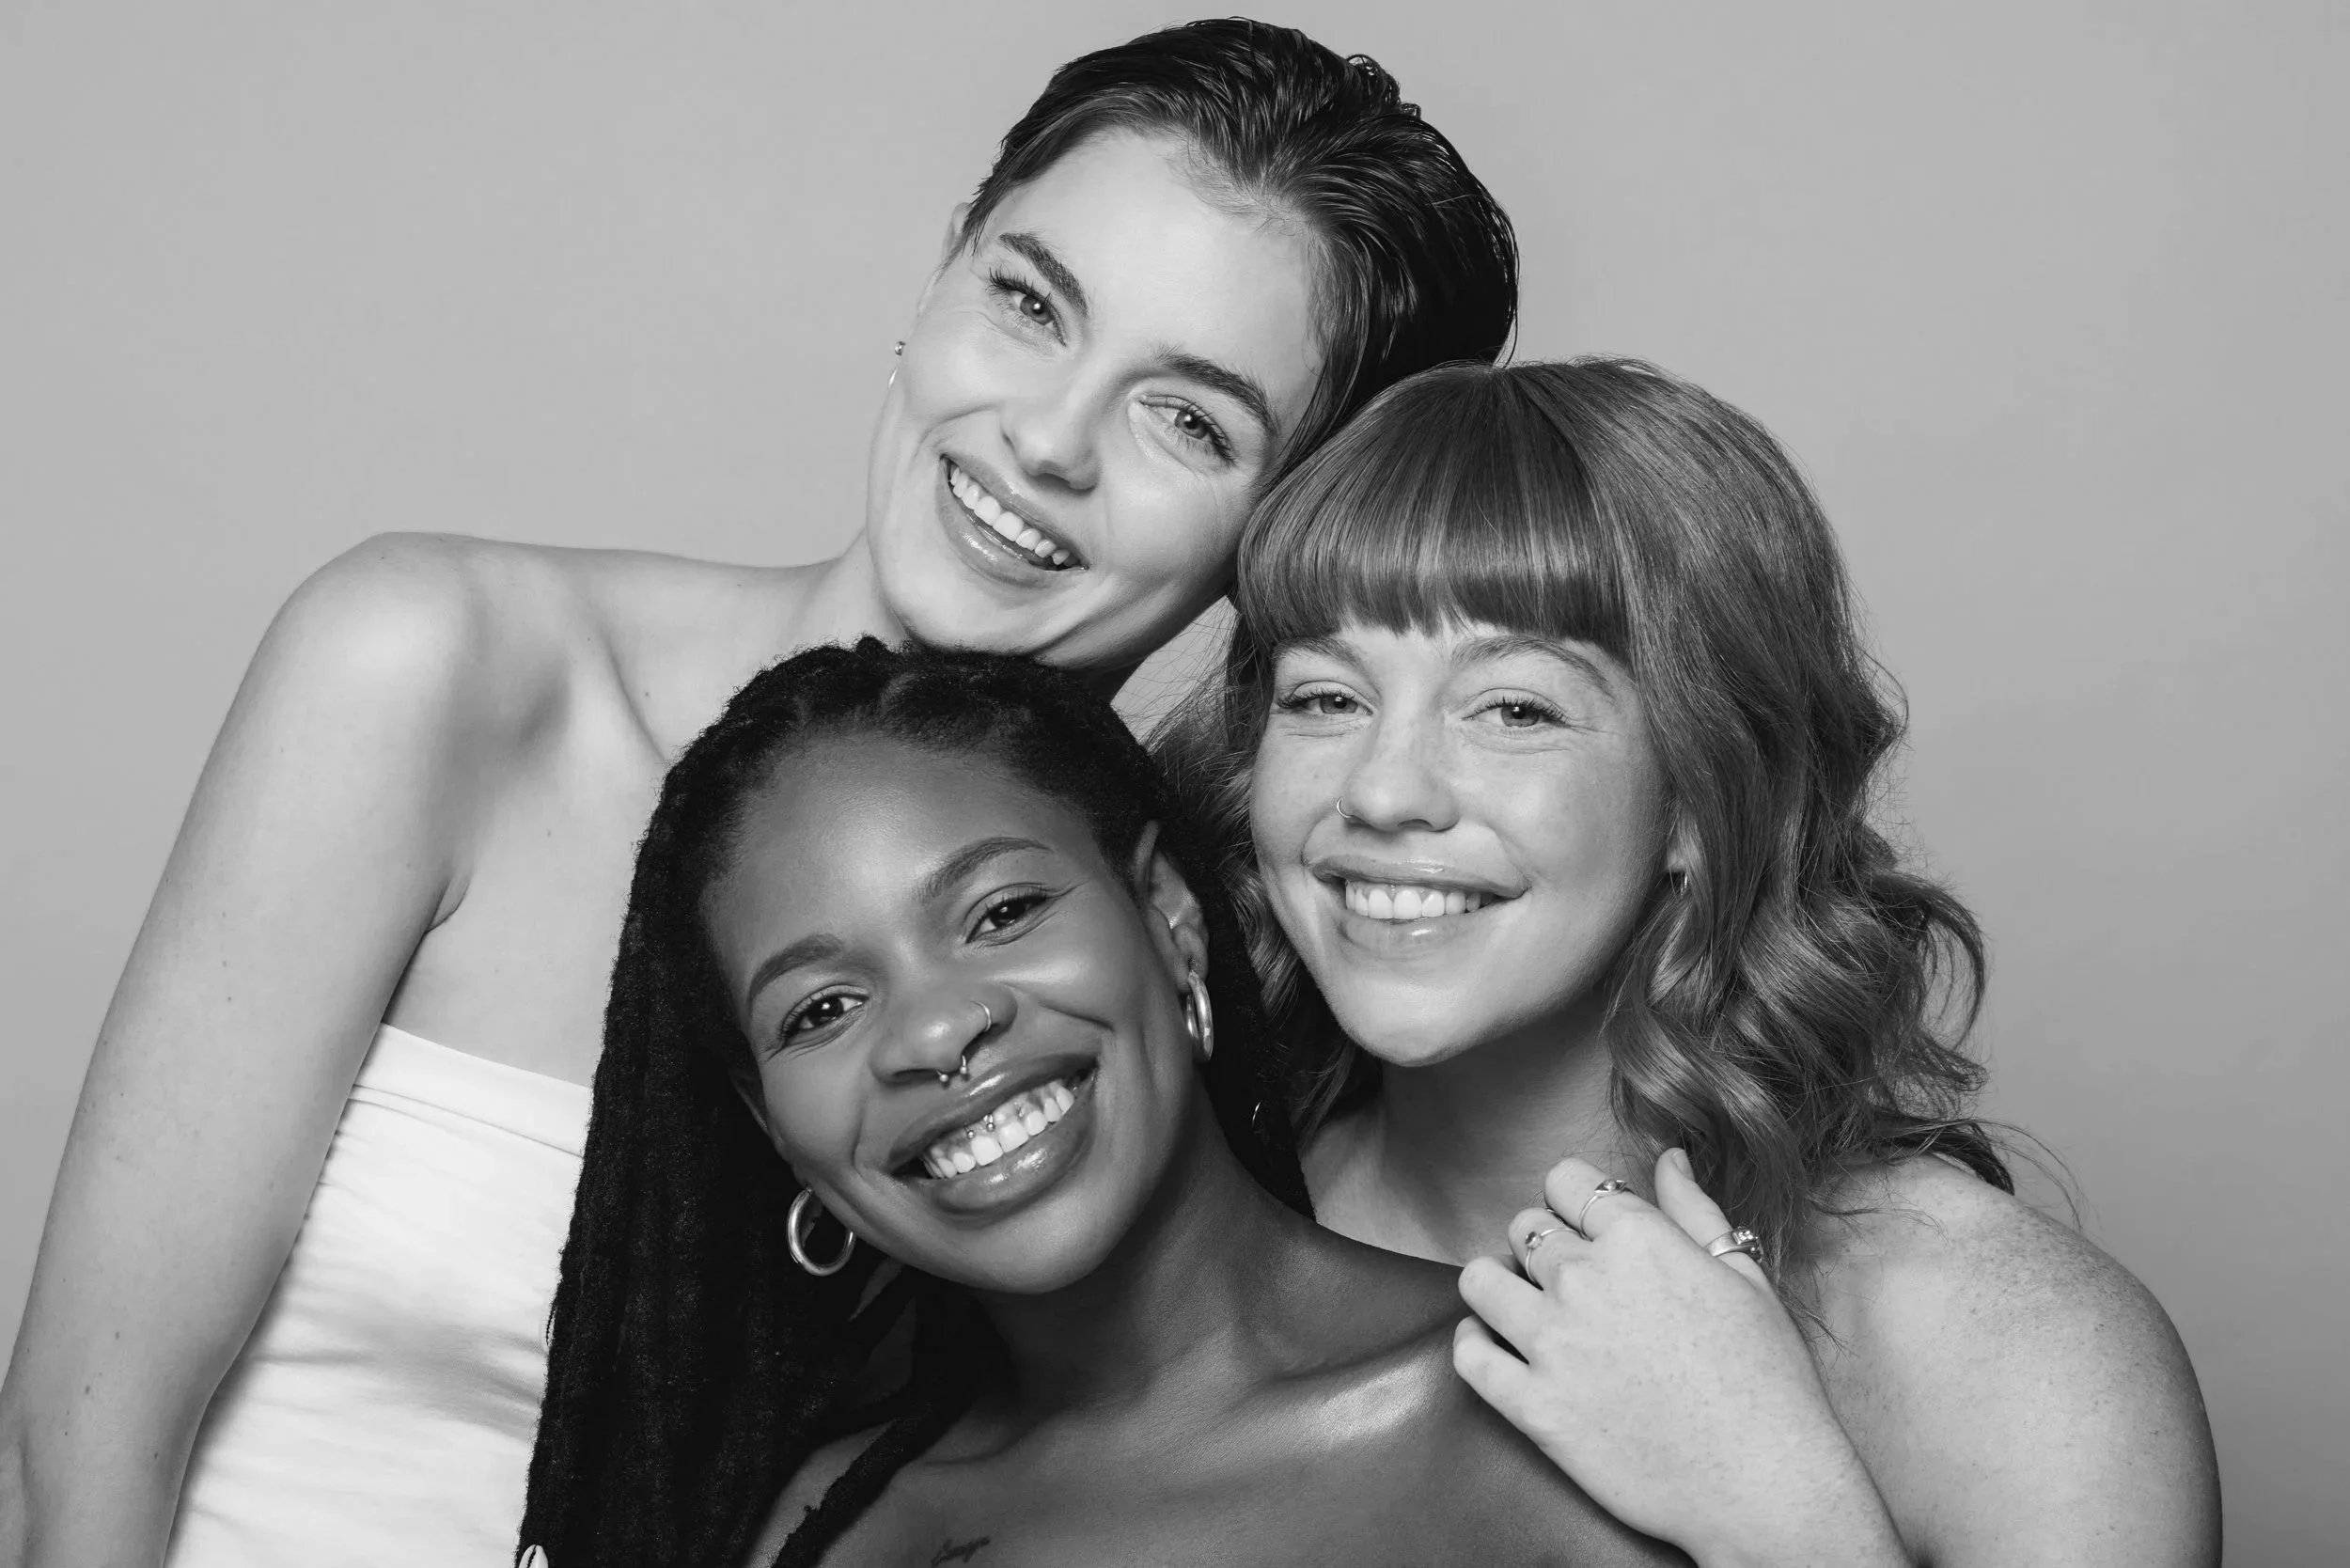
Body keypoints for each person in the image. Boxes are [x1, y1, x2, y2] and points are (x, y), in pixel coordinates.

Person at [0, 22, 1518, 1568]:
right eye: (1027, 302)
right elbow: (84, 1436)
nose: (1047, 440)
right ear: (937, 282)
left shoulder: (1175, 975)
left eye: (1186, 417)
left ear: (1290, 525)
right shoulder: (440, 673)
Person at [1155, 358, 2222, 1565]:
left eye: (1513, 710)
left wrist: (1779, 1511)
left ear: (1700, 801)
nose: (1384, 791)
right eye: (1325, 699)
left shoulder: (1999, 1345)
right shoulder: (1188, 1241)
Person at [520, 636, 1687, 1568]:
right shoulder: (823, 1527)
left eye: (1002, 913)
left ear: (1170, 920)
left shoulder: (1547, 1411)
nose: (936, 1031)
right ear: (773, 1122)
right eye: (820, 1011)